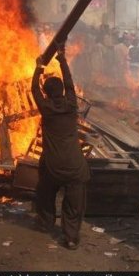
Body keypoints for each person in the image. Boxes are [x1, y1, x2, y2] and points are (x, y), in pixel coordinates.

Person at [31, 42, 90, 250]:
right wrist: (62, 58)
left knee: (44, 190)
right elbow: (70, 82)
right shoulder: (72, 104)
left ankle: (46, 221)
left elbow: (33, 89)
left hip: (53, 166)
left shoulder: (45, 107)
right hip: (75, 166)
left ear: (46, 94)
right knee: (74, 202)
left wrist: (39, 67)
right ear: (63, 92)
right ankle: (71, 237)